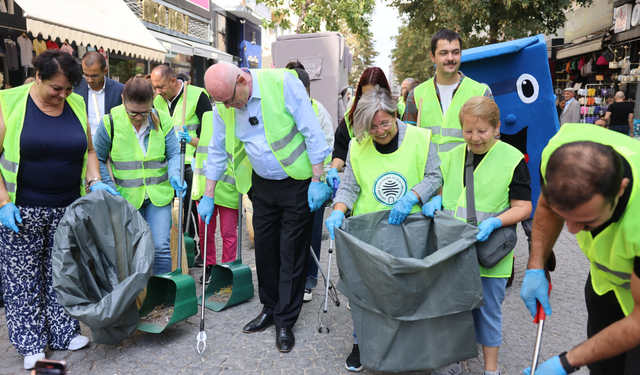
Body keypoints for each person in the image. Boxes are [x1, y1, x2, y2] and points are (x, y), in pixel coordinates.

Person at [200, 62, 332, 353]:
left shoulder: (283, 83)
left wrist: (317, 178)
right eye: (222, 103)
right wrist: (208, 194)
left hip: (297, 181)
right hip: (261, 184)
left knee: (292, 249)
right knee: (265, 248)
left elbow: (312, 132)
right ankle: (269, 309)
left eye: (230, 99)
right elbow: (218, 150)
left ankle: (285, 319)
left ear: (242, 80)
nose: (228, 107)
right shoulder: (224, 105)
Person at [0, 50, 118, 370]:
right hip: (21, 210)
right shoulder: (8, 103)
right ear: (38, 77)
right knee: (23, 280)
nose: (62, 96)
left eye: (68, 89)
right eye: (56, 89)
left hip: (67, 207)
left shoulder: (76, 103)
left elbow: (90, 150)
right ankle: (31, 343)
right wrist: (3, 203)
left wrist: (95, 181)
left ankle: (65, 331)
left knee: (64, 274)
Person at [325, 86, 442, 372]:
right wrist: (338, 212)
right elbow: (350, 186)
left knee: (408, 291)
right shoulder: (357, 144)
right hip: (369, 232)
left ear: (395, 113)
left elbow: (434, 175)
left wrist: (413, 196)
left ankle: (409, 347)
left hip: (410, 230)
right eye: (372, 126)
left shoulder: (420, 138)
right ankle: (361, 343)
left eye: (385, 123)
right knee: (366, 292)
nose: (379, 131)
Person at [423, 96, 532, 375]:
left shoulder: (512, 158)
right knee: (453, 311)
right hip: (453, 251)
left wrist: (495, 222)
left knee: (487, 314)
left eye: (482, 131)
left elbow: (524, 207)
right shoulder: (453, 156)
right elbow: (442, 189)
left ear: (497, 128)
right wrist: (435, 199)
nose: (475, 137)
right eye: (468, 131)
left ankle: (491, 370)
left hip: (489, 254)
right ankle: (454, 360)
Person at [519, 124, 640, 375]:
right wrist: (536, 266)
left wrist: (566, 362)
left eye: (586, 221)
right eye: (566, 218)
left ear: (620, 188)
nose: (572, 231)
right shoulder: (558, 153)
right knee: (604, 367)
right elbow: (546, 203)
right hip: (605, 283)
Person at [93, 77, 186, 276]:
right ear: (123, 100)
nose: (138, 117)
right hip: (125, 198)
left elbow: (174, 153)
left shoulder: (162, 120)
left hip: (158, 196)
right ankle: (139, 297)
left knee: (160, 247)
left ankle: (161, 298)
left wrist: (175, 174)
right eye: (132, 112)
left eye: (144, 112)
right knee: (134, 250)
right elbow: (97, 158)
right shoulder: (109, 122)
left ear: (152, 102)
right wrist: (109, 186)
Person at [150, 65, 212, 266]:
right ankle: (185, 247)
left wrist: (192, 140)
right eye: (155, 87)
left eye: (160, 87)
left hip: (192, 162)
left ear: (173, 81)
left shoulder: (197, 95)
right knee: (176, 209)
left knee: (195, 210)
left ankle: (204, 253)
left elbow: (208, 132)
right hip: (168, 163)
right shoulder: (158, 101)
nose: (157, 92)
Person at [284, 60, 335, 302]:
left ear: (306, 90)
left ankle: (308, 280)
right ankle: (289, 278)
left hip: (313, 182)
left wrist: (321, 181)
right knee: (289, 234)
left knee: (313, 232)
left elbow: (327, 146)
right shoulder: (280, 110)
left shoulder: (318, 110)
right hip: (288, 183)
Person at [403, 29, 492, 154]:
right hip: (428, 173)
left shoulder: (481, 93)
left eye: (455, 52)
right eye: (443, 53)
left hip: (467, 172)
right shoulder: (416, 95)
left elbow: (493, 140)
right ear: (432, 57)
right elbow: (407, 142)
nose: (450, 58)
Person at [327, 67, 392, 192]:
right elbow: (341, 150)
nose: (370, 101)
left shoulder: (396, 113)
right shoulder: (350, 119)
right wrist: (333, 170)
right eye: (365, 95)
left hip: (390, 180)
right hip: (360, 184)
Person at [73, 51, 124, 138]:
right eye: (85, 75)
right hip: (82, 144)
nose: (89, 80)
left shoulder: (120, 90)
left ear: (105, 71)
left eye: (94, 76)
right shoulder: (74, 88)